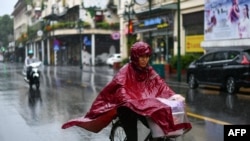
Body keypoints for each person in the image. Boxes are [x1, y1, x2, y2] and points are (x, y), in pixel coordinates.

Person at [61, 41, 192, 141]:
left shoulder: (148, 70)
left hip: (143, 106)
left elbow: (161, 85)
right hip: (127, 108)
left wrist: (174, 95)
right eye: (141, 57)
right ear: (135, 57)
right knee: (133, 138)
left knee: (160, 126)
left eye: (147, 56)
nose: (144, 60)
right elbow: (121, 89)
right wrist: (130, 100)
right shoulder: (125, 71)